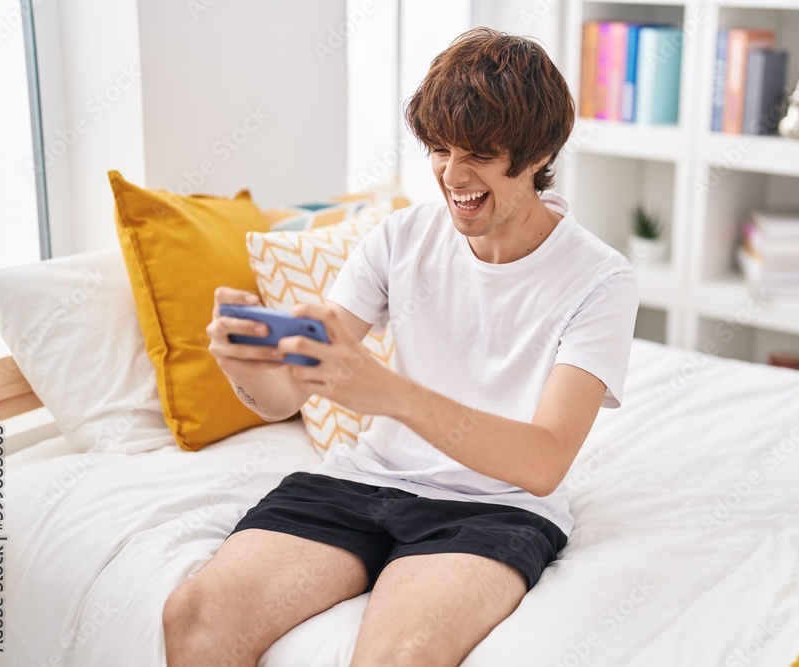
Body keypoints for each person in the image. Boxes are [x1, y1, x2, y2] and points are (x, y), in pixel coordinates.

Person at [162, 26, 639, 667]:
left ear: (537, 153)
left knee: (399, 658)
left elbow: (545, 461)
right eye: (439, 149)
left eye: (479, 153)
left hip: (493, 508)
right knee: (192, 617)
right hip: (364, 482)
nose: (452, 174)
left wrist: (390, 394)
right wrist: (243, 366)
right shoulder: (400, 239)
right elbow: (281, 399)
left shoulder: (599, 279)